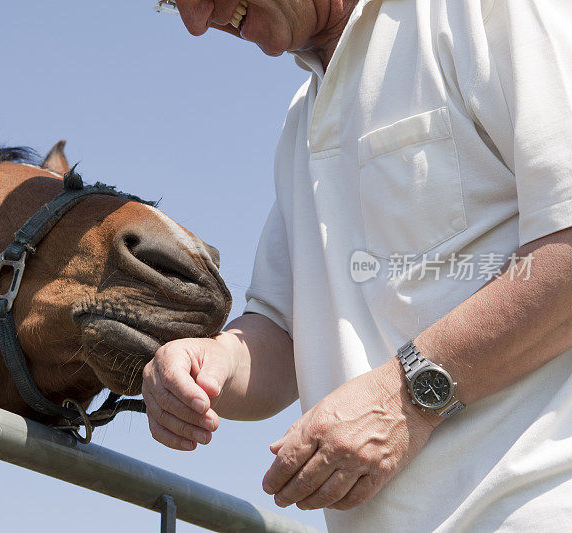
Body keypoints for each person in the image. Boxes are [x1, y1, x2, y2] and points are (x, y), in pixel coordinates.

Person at [141, 0, 572, 530]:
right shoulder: (302, 117)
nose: (195, 23)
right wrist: (211, 361)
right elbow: (281, 332)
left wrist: (406, 396)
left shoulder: (482, 12)